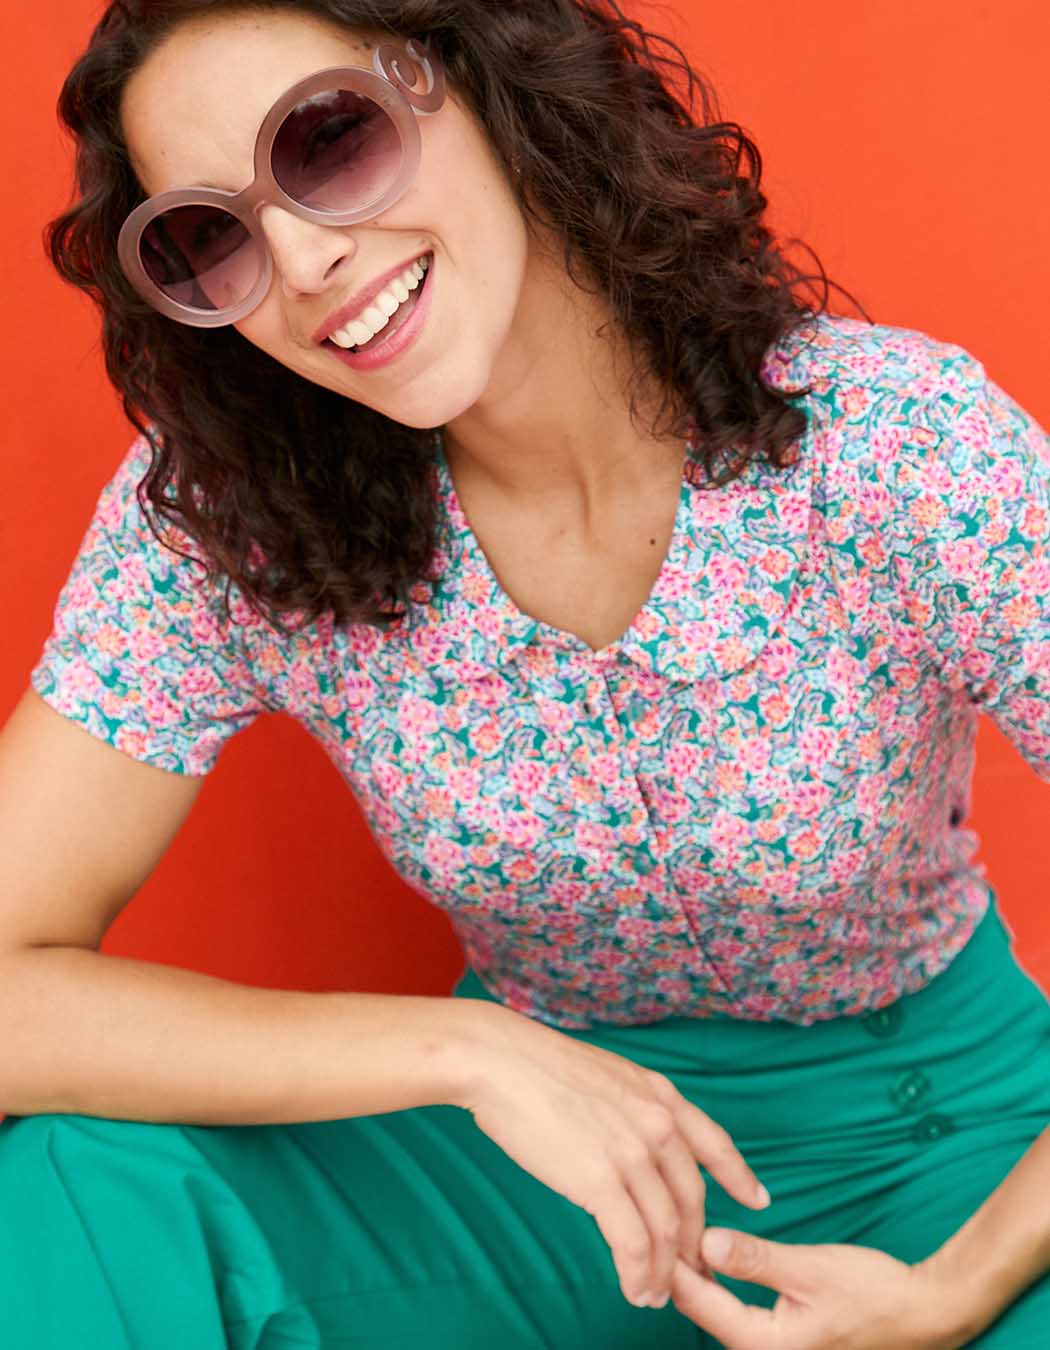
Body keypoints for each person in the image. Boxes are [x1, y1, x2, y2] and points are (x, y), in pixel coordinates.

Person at [0, 0, 1047, 1345]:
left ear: (487, 85)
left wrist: (957, 1292)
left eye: (327, 142)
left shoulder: (893, 446)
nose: (303, 260)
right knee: (77, 1192)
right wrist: (465, 1053)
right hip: (543, 1171)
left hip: (951, 1163)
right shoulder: (235, 516)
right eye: (213, 238)